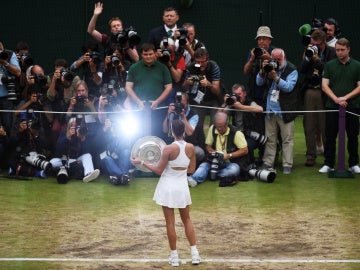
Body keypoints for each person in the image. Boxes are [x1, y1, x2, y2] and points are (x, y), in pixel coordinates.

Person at [130, 119, 201, 267]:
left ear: (172, 131)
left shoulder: (168, 149)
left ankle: (174, 257)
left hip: (168, 187)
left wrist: (142, 162)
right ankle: (195, 254)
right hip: (182, 187)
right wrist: (179, 170)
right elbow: (192, 170)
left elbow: (158, 170)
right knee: (187, 219)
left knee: (170, 223)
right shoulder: (191, 147)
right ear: (183, 131)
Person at [319, 38, 360, 174]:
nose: (339, 53)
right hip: (332, 105)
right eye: (337, 50)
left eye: (342, 50)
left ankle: (353, 163)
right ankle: (328, 163)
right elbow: (324, 86)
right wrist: (336, 99)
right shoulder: (329, 65)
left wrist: (345, 98)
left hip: (352, 106)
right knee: (330, 136)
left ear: (348, 49)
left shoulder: (357, 65)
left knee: (353, 136)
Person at [256, 48, 299, 174]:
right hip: (270, 109)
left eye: (278, 59)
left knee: (287, 139)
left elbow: (289, 88)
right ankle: (268, 162)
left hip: (285, 110)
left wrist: (276, 78)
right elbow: (259, 83)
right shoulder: (269, 66)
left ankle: (287, 164)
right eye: (273, 59)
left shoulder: (292, 69)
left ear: (284, 58)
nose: (276, 62)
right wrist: (262, 71)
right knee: (270, 138)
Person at [299, 29, 336, 167]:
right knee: (309, 126)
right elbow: (302, 69)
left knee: (325, 126)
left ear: (323, 42)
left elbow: (330, 70)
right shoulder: (309, 51)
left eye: (317, 44)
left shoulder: (331, 52)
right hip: (310, 90)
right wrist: (308, 56)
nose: (314, 46)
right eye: (312, 43)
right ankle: (310, 156)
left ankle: (329, 157)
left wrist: (317, 60)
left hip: (324, 92)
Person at [187, 111, 248, 187]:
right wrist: (213, 152)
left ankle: (210, 174)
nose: (219, 128)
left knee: (234, 170)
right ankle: (192, 179)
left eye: (221, 126)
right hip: (215, 161)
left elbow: (245, 150)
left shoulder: (236, 133)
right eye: (217, 126)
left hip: (230, 162)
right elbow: (208, 145)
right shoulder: (213, 128)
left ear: (227, 123)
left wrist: (229, 155)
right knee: (203, 165)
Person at [125, 43, 172, 139]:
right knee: (136, 136)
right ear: (141, 55)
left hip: (158, 109)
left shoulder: (162, 68)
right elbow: (128, 87)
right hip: (138, 109)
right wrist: (138, 102)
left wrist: (157, 101)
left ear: (155, 54)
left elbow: (169, 87)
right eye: (145, 54)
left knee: (158, 136)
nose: (148, 57)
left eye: (150, 54)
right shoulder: (134, 68)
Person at [243, 26, 275, 165]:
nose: (262, 41)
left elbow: (282, 68)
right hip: (254, 95)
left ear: (269, 40)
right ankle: (258, 156)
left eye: (264, 39)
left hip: (270, 97)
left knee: (270, 129)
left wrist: (270, 58)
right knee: (256, 127)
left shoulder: (275, 52)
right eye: (259, 39)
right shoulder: (253, 53)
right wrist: (251, 59)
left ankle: (269, 158)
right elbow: (245, 71)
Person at [182, 48, 221, 145]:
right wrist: (188, 82)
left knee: (215, 125)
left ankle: (214, 147)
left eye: (203, 62)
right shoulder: (191, 67)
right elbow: (183, 87)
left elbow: (217, 91)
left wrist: (209, 84)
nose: (200, 64)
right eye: (198, 61)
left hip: (213, 99)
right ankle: (201, 147)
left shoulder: (213, 66)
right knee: (198, 126)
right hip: (197, 100)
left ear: (207, 60)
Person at [221, 84, 264, 166]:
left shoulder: (249, 102)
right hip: (237, 134)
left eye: (239, 94)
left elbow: (260, 109)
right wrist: (225, 103)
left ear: (245, 93)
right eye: (235, 94)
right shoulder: (233, 103)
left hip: (251, 135)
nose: (237, 96)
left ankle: (251, 164)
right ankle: (237, 162)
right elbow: (220, 115)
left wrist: (242, 107)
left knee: (246, 145)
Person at [50, 116, 100, 183]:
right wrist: (67, 138)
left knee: (87, 155)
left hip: (77, 159)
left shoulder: (82, 135)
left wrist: (83, 140)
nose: (75, 129)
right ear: (69, 126)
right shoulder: (64, 133)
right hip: (65, 161)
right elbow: (58, 149)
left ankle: (88, 174)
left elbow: (87, 151)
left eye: (76, 126)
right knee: (52, 162)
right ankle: (64, 172)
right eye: (73, 126)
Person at [162, 92, 205, 166]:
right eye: (178, 101)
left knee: (199, 152)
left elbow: (189, 133)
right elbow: (165, 130)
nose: (180, 103)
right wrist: (168, 115)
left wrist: (183, 117)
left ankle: (187, 167)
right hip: (174, 144)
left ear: (187, 103)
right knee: (162, 149)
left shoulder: (194, 114)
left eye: (182, 101)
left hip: (189, 144)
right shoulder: (173, 111)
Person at [0, 39, 21, 135]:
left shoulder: (9, 54)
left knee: (8, 125)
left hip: (6, 96)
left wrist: (5, 63)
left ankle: (7, 147)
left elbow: (17, 72)